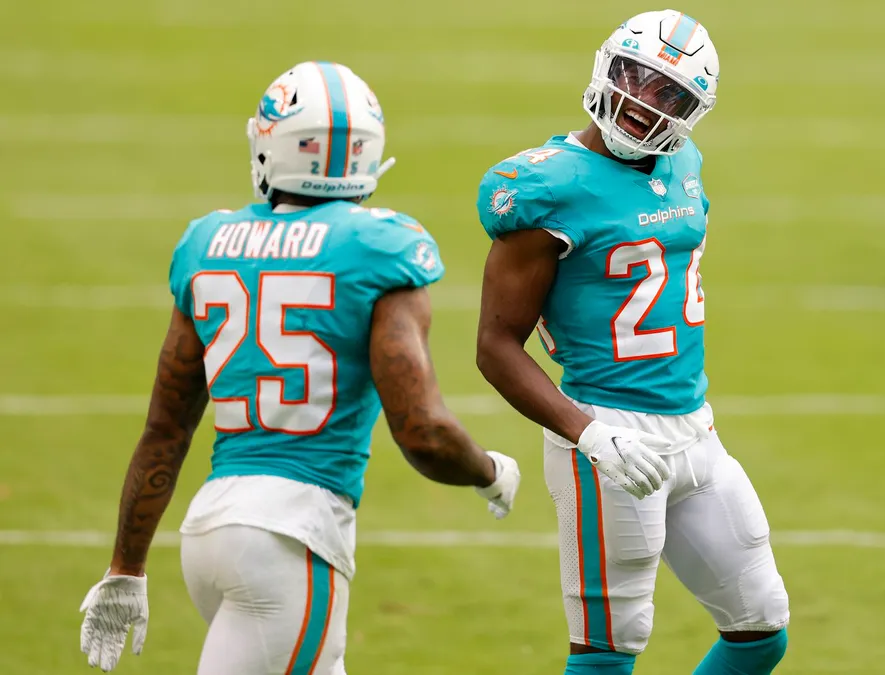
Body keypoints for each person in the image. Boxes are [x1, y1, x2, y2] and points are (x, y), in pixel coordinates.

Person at [78, 60, 520, 674]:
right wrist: (490, 472)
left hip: (211, 528)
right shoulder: (380, 245)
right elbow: (423, 432)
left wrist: (126, 565)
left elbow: (165, 429)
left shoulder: (208, 242)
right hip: (290, 539)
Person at [474, 11, 789, 675]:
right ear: (607, 67)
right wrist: (588, 434)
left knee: (762, 628)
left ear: (693, 111)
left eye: (669, 93)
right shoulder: (544, 187)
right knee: (609, 652)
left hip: (695, 428)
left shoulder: (685, 162)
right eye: (634, 77)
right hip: (606, 429)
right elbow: (495, 345)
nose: (644, 101)